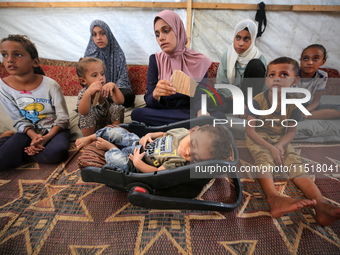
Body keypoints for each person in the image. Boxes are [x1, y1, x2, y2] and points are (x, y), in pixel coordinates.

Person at [245, 57, 340, 226]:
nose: (276, 78)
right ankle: (273, 198)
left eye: (283, 74)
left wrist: (280, 145)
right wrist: (271, 148)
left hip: (280, 138)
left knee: (295, 163)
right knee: (264, 159)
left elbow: (291, 132)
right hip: (259, 137)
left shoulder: (294, 103)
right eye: (272, 74)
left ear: (295, 80)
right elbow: (250, 131)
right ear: (266, 79)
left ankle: (321, 206)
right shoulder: (257, 101)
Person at [0, 35, 70, 170]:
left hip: (54, 129)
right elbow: (18, 120)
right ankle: (9, 140)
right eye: (4, 55)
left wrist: (46, 137)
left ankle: (24, 151)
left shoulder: (50, 85)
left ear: (35, 62)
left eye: (17, 55)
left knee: (56, 153)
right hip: (27, 131)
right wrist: (33, 136)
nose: (9, 60)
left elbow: (63, 119)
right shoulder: (3, 87)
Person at [131, 10, 212, 126]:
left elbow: (200, 96)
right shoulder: (155, 60)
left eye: (166, 31)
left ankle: (163, 128)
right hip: (164, 111)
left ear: (178, 30)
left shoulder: (198, 61)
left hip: (188, 112)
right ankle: (188, 125)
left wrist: (202, 112)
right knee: (137, 113)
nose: (161, 38)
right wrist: (156, 94)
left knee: (217, 117)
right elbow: (148, 100)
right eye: (157, 34)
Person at [75, 124, 233, 173]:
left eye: (196, 158)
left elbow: (156, 173)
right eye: (193, 145)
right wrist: (150, 134)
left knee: (117, 161)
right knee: (116, 131)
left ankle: (110, 148)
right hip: (140, 143)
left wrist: (137, 163)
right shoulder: (182, 133)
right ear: (192, 131)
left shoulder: (178, 162)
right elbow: (164, 133)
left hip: (136, 162)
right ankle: (91, 137)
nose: (188, 153)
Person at [215, 19, 267, 114]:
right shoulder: (227, 56)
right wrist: (237, 101)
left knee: (255, 64)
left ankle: (250, 110)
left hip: (251, 100)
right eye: (238, 38)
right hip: (231, 99)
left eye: (246, 39)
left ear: (253, 39)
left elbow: (264, 88)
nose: (240, 43)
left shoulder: (259, 57)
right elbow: (221, 84)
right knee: (213, 102)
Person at [84, 20, 135, 108]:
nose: (98, 38)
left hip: (116, 90)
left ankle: (105, 103)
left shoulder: (118, 53)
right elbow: (87, 81)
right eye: (94, 34)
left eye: (102, 33)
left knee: (129, 96)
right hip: (98, 90)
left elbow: (123, 78)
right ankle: (107, 103)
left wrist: (112, 87)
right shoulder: (89, 56)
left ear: (108, 34)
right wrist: (100, 87)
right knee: (86, 96)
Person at [76, 57, 125, 137]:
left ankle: (116, 133)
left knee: (118, 107)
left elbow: (120, 102)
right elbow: (83, 112)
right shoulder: (84, 93)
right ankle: (89, 139)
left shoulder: (107, 89)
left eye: (102, 74)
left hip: (109, 125)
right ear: (83, 81)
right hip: (93, 129)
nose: (101, 77)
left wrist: (114, 87)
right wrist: (88, 93)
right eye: (95, 75)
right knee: (85, 115)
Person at [295, 44, 340, 119]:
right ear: (301, 61)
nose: (309, 62)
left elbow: (316, 101)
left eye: (315, 58)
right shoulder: (292, 74)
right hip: (291, 106)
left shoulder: (322, 75)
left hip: (308, 105)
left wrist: (306, 111)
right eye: (305, 59)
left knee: (337, 107)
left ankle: (304, 115)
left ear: (323, 62)